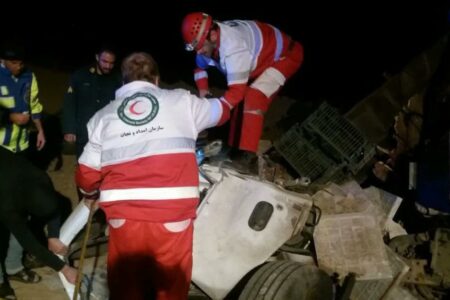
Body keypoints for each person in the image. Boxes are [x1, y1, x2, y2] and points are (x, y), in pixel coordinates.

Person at [76, 52, 230, 300]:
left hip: (124, 217)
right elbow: (222, 112)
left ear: (123, 82)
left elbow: (86, 173)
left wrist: (91, 193)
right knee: (168, 288)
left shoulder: (103, 116)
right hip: (172, 215)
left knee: (128, 288)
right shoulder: (183, 101)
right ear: (157, 80)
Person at [181, 12, 304, 171]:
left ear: (212, 35)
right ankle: (234, 151)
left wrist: (207, 118)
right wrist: (203, 91)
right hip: (261, 55)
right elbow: (199, 68)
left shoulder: (233, 48)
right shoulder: (208, 42)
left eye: (200, 47)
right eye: (195, 48)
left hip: (286, 55)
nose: (199, 52)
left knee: (253, 97)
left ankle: (247, 158)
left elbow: (235, 94)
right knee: (238, 101)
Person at [0, 106, 78, 299]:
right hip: (4, 191)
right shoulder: (8, 206)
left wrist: (52, 235)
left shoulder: (40, 178)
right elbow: (28, 239)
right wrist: (64, 269)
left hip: (10, 175)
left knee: (22, 223)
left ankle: (13, 267)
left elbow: (53, 208)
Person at [62, 46, 122, 159]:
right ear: (97, 57)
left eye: (111, 63)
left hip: (107, 133)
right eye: (105, 61)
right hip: (83, 132)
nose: (108, 66)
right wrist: (69, 129)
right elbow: (69, 103)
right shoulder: (80, 76)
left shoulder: (117, 80)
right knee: (83, 165)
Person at [0, 41, 46, 156]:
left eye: (21, 63)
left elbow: (34, 105)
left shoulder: (29, 77)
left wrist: (40, 131)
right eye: (14, 63)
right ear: (2, 60)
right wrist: (9, 117)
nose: (19, 67)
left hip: (21, 144)